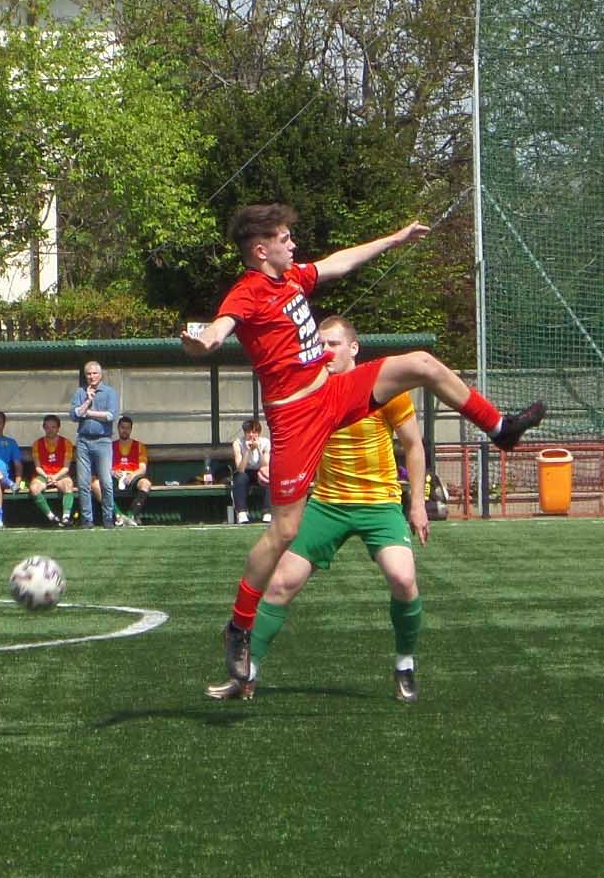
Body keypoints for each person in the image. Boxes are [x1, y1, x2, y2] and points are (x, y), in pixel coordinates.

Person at [184, 201, 544, 698]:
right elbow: (220, 328)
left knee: (421, 362)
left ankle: (499, 427)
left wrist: (394, 239)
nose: (293, 245)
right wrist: (203, 341)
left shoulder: (293, 279)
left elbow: (339, 262)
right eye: (285, 239)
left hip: (333, 394)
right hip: (295, 418)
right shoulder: (248, 291)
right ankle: (239, 627)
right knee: (284, 530)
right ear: (261, 250)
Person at [219, 316, 431, 702]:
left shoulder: (384, 389)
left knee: (403, 580)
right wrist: (273, 468)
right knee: (280, 584)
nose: (325, 351)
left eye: (333, 344)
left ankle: (404, 665)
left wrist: (417, 503)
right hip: (326, 505)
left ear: (353, 348)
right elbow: (294, 441)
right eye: (320, 345)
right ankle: (246, 673)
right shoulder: (312, 390)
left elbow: (414, 446)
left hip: (380, 504)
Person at [71, 359, 120, 527]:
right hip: (83, 441)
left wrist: (88, 412)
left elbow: (111, 415)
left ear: (101, 374)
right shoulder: (80, 392)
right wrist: (87, 401)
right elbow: (74, 415)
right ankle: (87, 519)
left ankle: (108, 518)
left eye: (95, 373)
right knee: (83, 483)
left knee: (106, 482)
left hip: (103, 441)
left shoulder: (109, 392)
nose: (92, 376)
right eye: (89, 374)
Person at [26, 414, 77, 526]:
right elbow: (38, 467)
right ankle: (51, 517)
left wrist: (55, 477)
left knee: (68, 484)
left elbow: (66, 467)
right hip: (44, 475)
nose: (50, 430)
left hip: (60, 475)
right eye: (47, 427)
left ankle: (66, 517)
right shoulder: (37, 444)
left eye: (53, 427)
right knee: (34, 488)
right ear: (43, 428)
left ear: (58, 428)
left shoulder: (67, 443)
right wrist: (47, 476)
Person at [109, 416, 151, 526]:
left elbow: (142, 468)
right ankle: (118, 515)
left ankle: (131, 515)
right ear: (118, 428)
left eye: (127, 428)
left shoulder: (139, 446)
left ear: (131, 429)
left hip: (132, 475)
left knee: (146, 483)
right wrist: (112, 472)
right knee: (97, 485)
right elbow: (104, 466)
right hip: (115, 475)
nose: (125, 430)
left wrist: (133, 475)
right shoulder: (110, 446)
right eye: (122, 427)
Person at [229, 416, 271, 524]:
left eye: (254, 432)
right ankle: (242, 513)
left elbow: (265, 466)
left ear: (259, 433)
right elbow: (240, 469)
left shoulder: (266, 442)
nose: (252, 435)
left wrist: (258, 449)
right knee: (240, 477)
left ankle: (267, 512)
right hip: (245, 471)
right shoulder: (238, 443)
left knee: (268, 477)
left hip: (260, 471)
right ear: (245, 433)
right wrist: (248, 451)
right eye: (248, 432)